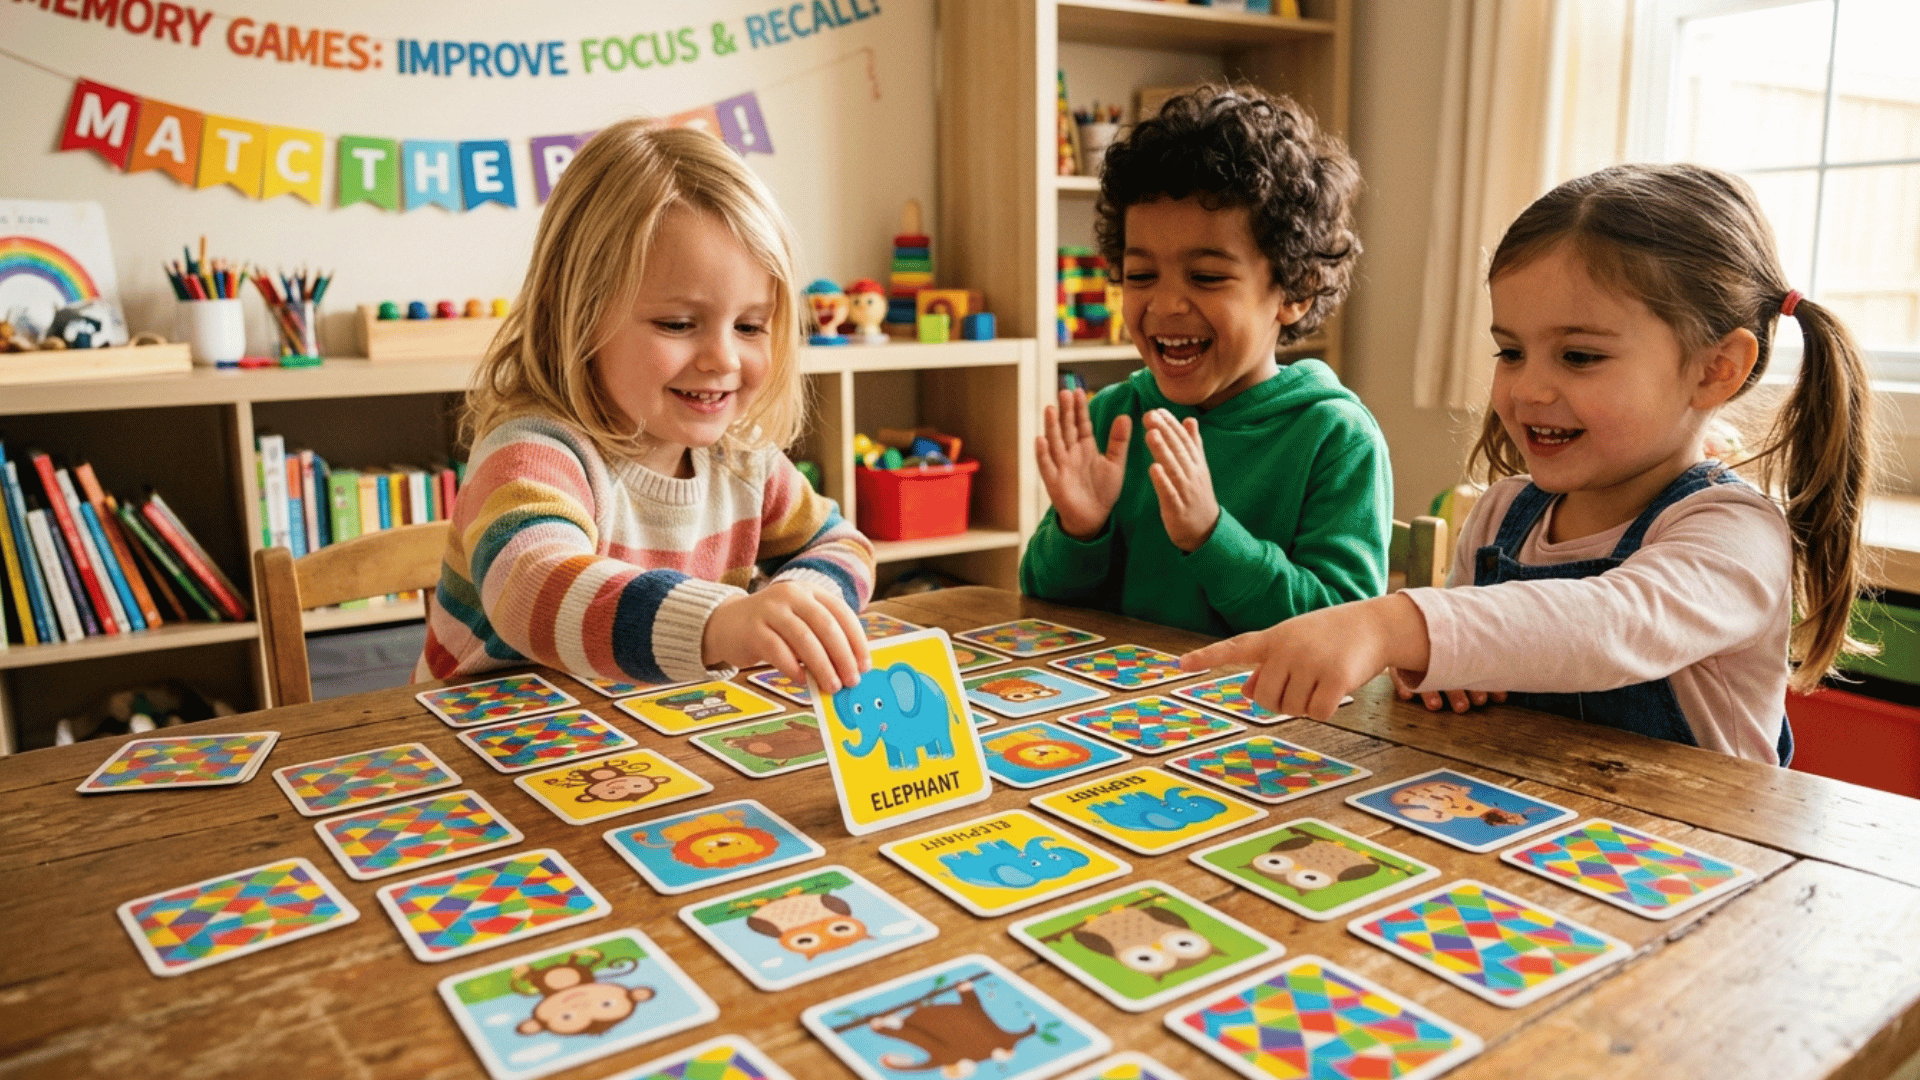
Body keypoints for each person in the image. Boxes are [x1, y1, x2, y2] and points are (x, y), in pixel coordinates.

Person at [1184, 163, 1876, 765]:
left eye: (1579, 356)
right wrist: (1436, 674)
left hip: (1691, 856)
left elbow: (1611, 624)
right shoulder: (1499, 515)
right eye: (1510, 352)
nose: (1527, 389)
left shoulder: (1735, 533)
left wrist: (1391, 625)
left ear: (1716, 369)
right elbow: (1467, 660)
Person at [417, 120, 874, 694]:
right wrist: (719, 623)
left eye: (751, 326)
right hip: (484, 733)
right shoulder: (532, 452)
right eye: (678, 324)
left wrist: (798, 603)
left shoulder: (743, 461)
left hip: (645, 730)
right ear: (577, 315)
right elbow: (532, 586)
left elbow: (844, 545)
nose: (723, 358)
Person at [1019, 85, 1391, 636]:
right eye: (1141, 275)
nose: (1166, 304)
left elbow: (1340, 630)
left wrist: (1210, 536)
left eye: (1207, 276)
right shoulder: (1115, 420)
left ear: (1296, 290)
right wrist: (1079, 531)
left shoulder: (1335, 438)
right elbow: (1042, 607)